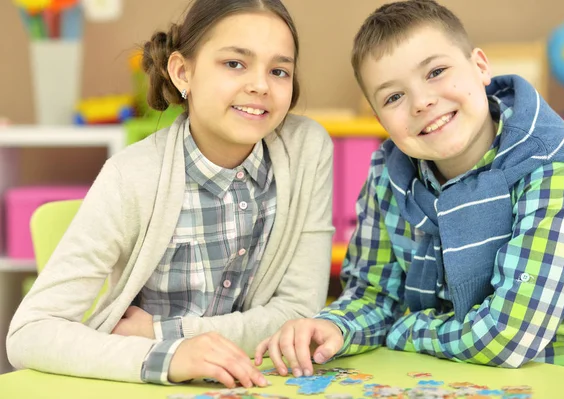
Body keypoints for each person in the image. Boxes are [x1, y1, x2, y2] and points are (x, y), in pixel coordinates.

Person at [256, 0, 564, 377]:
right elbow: (374, 295)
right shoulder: (390, 175)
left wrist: (407, 328)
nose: (422, 103)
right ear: (380, 119)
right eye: (394, 97)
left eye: (436, 71)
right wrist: (334, 326)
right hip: (452, 374)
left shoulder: (553, 168)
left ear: (480, 67)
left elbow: (508, 335)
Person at [7, 0, 334, 387]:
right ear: (183, 72)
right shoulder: (132, 176)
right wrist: (166, 357)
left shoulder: (306, 149)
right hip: (143, 385)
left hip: (258, 382)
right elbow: (29, 332)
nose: (261, 85)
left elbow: (298, 312)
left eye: (279, 71)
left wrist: (165, 333)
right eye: (235, 63)